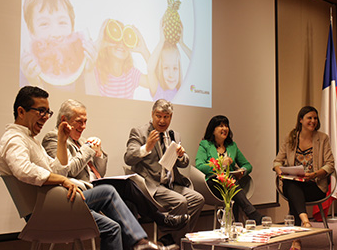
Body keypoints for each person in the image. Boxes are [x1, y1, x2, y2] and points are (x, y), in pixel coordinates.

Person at [0, 86, 177, 250]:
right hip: (46, 210)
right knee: (108, 192)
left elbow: (56, 170)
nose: (45, 117)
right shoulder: (14, 139)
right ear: (21, 111)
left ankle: (141, 242)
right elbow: (25, 171)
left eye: (47, 112)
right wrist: (64, 179)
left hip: (58, 202)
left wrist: (64, 142)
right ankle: (142, 242)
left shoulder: (31, 140)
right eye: (41, 111)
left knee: (113, 226)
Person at [42, 99, 189, 230]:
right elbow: (65, 172)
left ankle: (135, 244)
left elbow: (100, 172)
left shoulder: (79, 140)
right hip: (77, 193)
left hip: (93, 186)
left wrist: (99, 155)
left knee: (130, 204)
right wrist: (87, 150)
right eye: (79, 121)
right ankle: (160, 218)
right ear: (64, 119)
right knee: (128, 185)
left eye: (85, 121)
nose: (84, 126)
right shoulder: (53, 139)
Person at [124, 99, 205, 245]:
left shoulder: (174, 135)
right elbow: (128, 158)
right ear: (152, 114)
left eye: (166, 116)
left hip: (172, 185)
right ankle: (177, 242)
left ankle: (171, 239)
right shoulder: (140, 132)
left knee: (198, 199)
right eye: (158, 116)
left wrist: (181, 155)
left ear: (171, 117)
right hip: (151, 186)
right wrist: (146, 147)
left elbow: (184, 162)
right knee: (181, 202)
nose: (162, 120)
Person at [273, 106, 335, 250]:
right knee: (291, 184)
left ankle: (297, 239)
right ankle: (305, 221)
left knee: (293, 193)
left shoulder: (322, 138)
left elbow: (330, 165)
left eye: (315, 118)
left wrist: (314, 174)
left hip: (315, 186)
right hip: (294, 184)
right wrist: (280, 172)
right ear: (301, 120)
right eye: (309, 118)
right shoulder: (290, 138)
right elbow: (277, 162)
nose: (313, 121)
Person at [20, 0, 97, 92]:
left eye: (62, 23)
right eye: (44, 24)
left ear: (72, 28)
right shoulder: (27, 68)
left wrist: (89, 72)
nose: (55, 33)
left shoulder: (81, 65)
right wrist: (34, 82)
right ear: (31, 32)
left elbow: (95, 103)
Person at [195, 115, 263, 224]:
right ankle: (252, 213)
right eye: (221, 126)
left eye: (226, 126)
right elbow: (199, 166)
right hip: (212, 185)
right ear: (213, 130)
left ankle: (234, 225)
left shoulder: (232, 146)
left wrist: (242, 171)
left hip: (230, 184)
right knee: (228, 179)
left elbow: (248, 165)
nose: (225, 129)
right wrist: (220, 164)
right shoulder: (205, 145)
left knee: (230, 182)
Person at [90, 19, 150, 98]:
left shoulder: (131, 74)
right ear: (106, 45)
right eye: (116, 39)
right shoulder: (96, 71)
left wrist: (144, 50)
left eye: (125, 40)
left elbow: (156, 84)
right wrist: (98, 44)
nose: (121, 44)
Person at [147, 21, 191, 101]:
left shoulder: (182, 90)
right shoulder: (158, 90)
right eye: (166, 68)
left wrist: (182, 44)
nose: (171, 75)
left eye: (175, 68)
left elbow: (197, 65)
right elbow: (150, 69)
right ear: (160, 68)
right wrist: (161, 42)